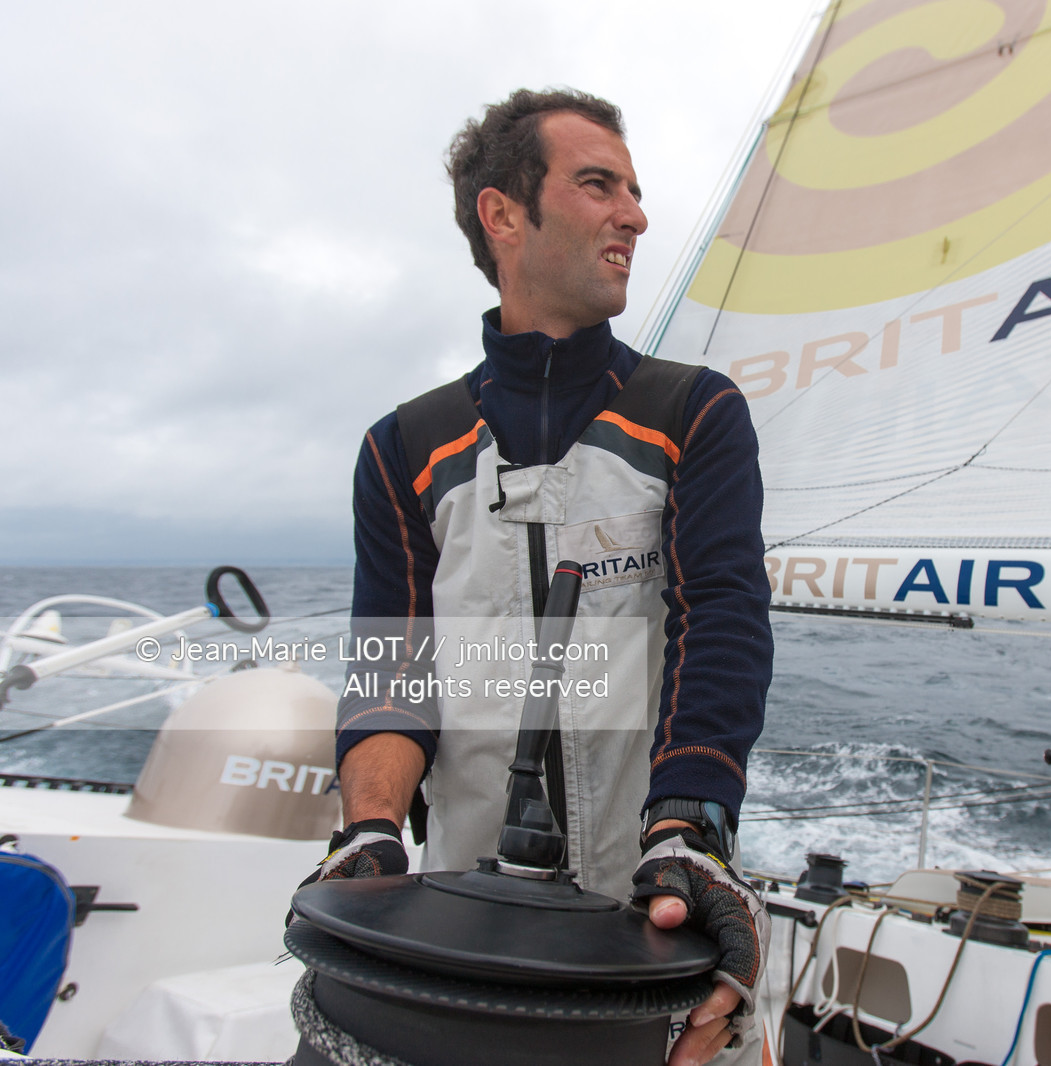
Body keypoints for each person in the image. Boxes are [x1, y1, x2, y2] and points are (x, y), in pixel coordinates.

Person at [307, 89, 774, 1066]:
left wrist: (688, 827)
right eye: (598, 184)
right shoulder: (405, 448)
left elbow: (720, 623)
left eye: (636, 191)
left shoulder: (693, 413)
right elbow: (395, 676)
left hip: (653, 910)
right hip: (461, 928)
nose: (636, 215)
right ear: (503, 213)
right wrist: (369, 831)